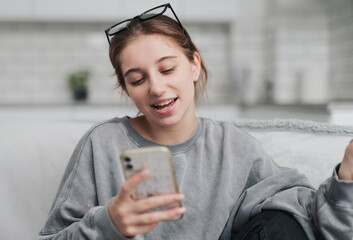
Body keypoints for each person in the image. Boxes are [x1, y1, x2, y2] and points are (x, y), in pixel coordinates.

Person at [39, 3, 353, 240]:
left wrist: (346, 178)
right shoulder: (102, 143)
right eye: (137, 80)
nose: (156, 88)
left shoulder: (233, 147)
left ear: (193, 65)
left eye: (167, 69)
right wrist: (109, 222)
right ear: (127, 90)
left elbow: (311, 220)